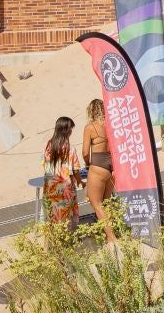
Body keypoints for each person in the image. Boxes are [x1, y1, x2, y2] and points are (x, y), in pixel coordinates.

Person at [81, 100, 115, 241]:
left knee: (96, 203)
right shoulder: (111, 124)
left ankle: (111, 237)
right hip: (111, 165)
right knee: (107, 201)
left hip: (98, 165)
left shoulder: (90, 127)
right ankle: (112, 232)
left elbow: (84, 152)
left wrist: (88, 164)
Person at [41, 116, 80, 227]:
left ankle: (52, 242)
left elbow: (44, 165)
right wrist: (80, 181)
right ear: (66, 130)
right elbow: (76, 169)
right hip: (65, 190)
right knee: (66, 218)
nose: (71, 131)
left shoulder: (46, 145)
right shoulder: (71, 149)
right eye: (71, 129)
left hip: (50, 188)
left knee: (51, 216)